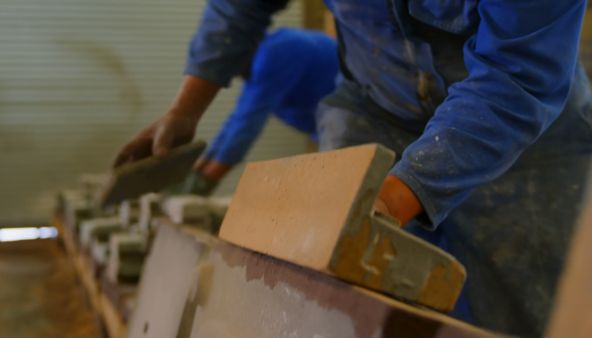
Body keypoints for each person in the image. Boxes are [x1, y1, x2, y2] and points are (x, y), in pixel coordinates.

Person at [113, 1, 592, 337]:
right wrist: (185, 109)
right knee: (335, 307)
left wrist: (385, 202)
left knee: (528, 312)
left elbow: (516, 77)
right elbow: (239, 5)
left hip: (526, 136)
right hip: (374, 108)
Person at [184, 27, 338, 195]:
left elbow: (247, 126)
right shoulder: (258, 62)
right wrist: (199, 169)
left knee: (342, 189)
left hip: (356, 121)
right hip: (335, 127)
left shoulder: (277, 52)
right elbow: (236, 120)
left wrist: (204, 183)